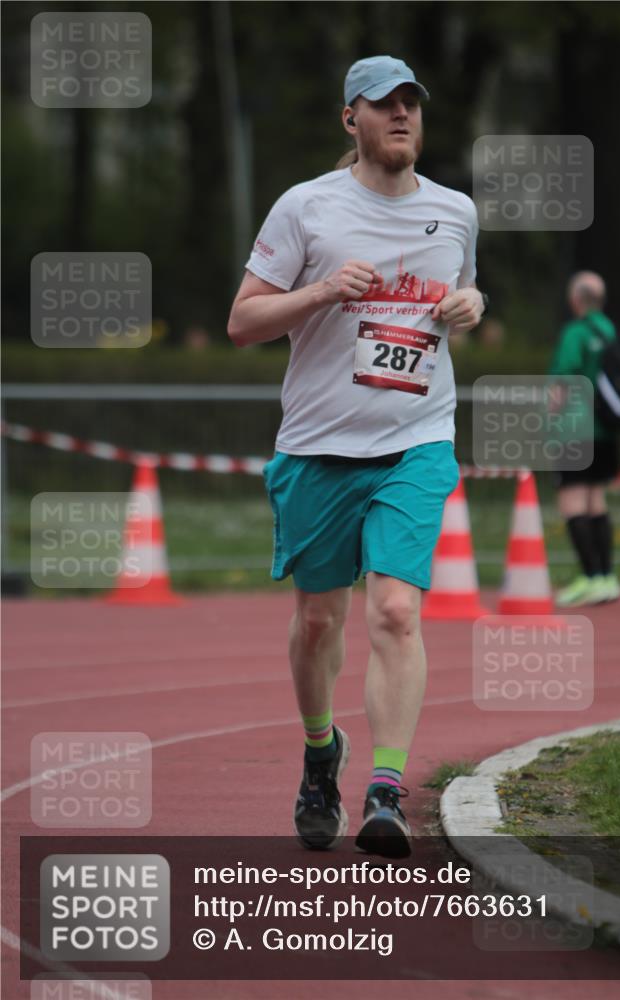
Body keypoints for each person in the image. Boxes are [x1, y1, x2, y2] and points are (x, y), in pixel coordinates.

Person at [228, 55, 485, 858]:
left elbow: (461, 296)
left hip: (415, 439)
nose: (401, 115)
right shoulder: (306, 208)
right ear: (351, 119)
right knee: (317, 621)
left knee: (396, 612)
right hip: (316, 445)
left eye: (410, 103)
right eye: (383, 104)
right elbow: (242, 322)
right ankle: (318, 755)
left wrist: (473, 304)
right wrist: (319, 293)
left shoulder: (455, 212)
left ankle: (383, 788)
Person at [550, 271, 620, 607]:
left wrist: (548, 423)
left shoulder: (576, 332)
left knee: (573, 501)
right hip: (606, 428)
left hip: (575, 427)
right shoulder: (609, 330)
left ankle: (589, 576)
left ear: (575, 299)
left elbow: (562, 382)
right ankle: (607, 577)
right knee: (597, 499)